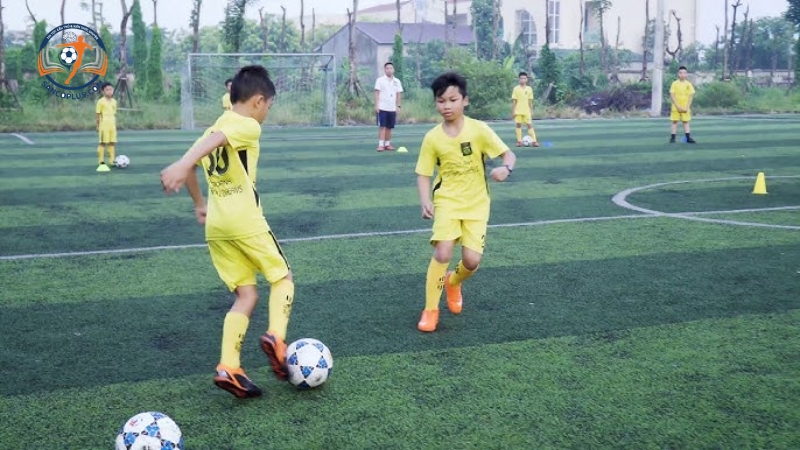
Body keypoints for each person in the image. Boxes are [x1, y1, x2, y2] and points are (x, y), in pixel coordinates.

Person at [160, 65, 294, 398]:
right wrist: (182, 164)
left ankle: (229, 366)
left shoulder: (214, 126)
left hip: (217, 227)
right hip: (245, 220)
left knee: (246, 296)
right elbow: (205, 150)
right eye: (269, 105)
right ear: (258, 101)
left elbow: (196, 160)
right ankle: (277, 337)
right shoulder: (247, 125)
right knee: (282, 278)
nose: (267, 112)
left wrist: (199, 204)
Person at [414, 72, 517, 333]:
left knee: (471, 261)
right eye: (441, 101)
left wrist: (506, 169)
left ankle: (453, 282)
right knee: (443, 252)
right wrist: (425, 200)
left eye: (453, 100)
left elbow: (509, 154)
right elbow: (423, 173)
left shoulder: (479, 130)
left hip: (477, 204)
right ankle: (430, 310)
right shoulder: (432, 138)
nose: (446, 106)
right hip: (447, 201)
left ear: (465, 100)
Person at [374, 62, 403, 152]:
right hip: (382, 107)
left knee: (389, 127)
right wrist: (377, 105)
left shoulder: (397, 81)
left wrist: (398, 106)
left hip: (392, 108)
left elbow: (398, 94)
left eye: (391, 68)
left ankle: (387, 144)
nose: (389, 70)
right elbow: (377, 93)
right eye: (387, 68)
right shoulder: (380, 80)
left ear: (393, 70)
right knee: (382, 126)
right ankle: (381, 145)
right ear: (384, 69)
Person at [669, 66, 696, 144]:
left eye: (684, 73)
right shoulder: (674, 83)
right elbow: (672, 95)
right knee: (674, 121)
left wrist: (687, 107)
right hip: (676, 107)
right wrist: (677, 106)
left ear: (686, 74)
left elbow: (691, 96)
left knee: (686, 122)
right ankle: (673, 138)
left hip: (685, 107)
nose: (682, 74)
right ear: (678, 74)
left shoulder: (689, 84)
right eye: (680, 73)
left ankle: (688, 138)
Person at [511, 71, 539, 147]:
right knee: (518, 125)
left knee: (529, 125)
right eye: (521, 78)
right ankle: (519, 141)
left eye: (524, 78)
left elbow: (530, 101)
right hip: (518, 111)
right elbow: (514, 101)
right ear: (519, 79)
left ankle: (534, 141)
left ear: (526, 79)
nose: (523, 80)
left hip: (526, 111)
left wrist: (531, 110)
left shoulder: (529, 89)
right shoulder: (516, 89)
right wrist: (513, 111)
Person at [95, 82, 117, 172]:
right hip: (104, 126)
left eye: (111, 89)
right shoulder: (100, 102)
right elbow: (97, 114)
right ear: (103, 91)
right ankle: (101, 161)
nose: (109, 91)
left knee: (112, 143)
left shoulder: (114, 101)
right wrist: (97, 125)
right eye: (107, 90)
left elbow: (114, 113)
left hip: (112, 125)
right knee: (103, 143)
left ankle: (112, 161)